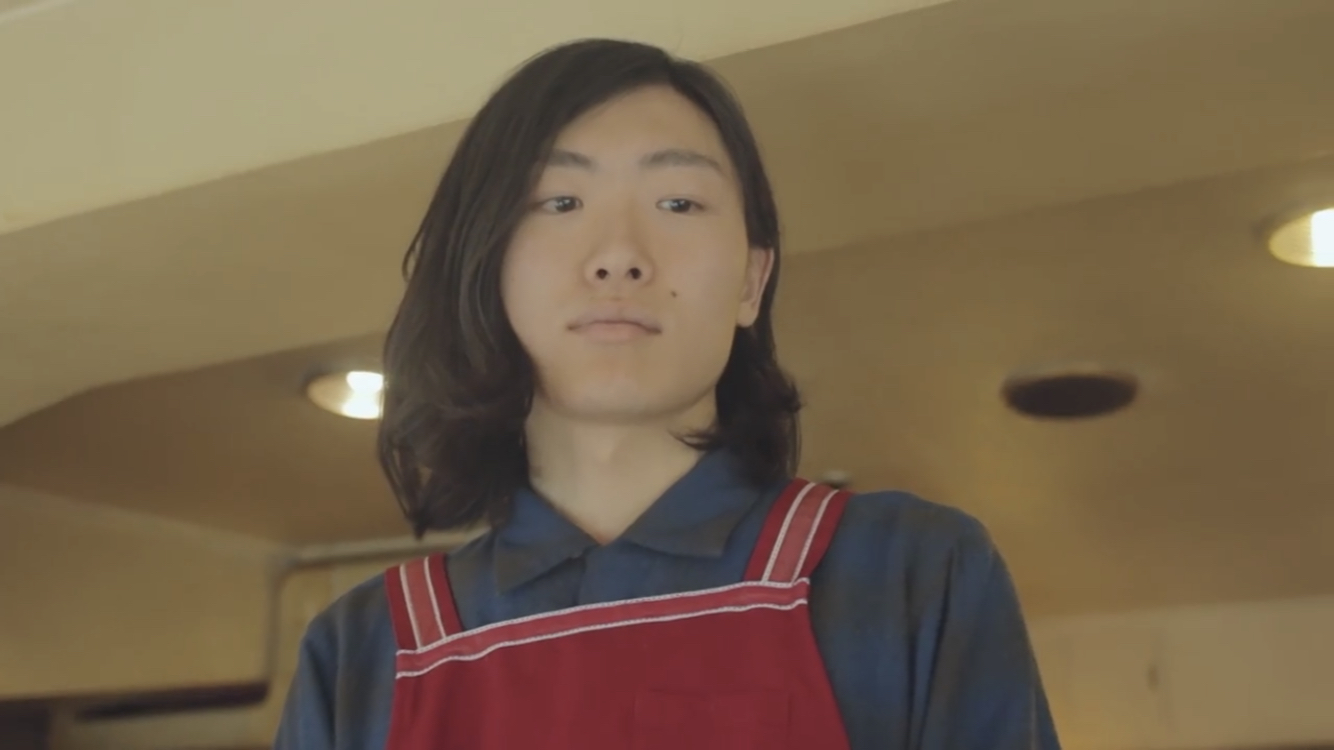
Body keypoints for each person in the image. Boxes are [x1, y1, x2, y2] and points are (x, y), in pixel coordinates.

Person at [275, 38, 1060, 750]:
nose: (619, 255)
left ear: (752, 280)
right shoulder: (362, 654)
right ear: (484, 266)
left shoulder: (910, 573)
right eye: (560, 202)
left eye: (678, 203)